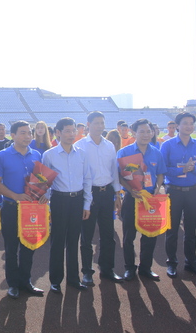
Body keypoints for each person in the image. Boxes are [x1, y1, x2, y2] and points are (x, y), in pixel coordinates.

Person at [0, 121, 46, 299]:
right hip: (11, 208)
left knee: (29, 246)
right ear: (13, 135)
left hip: (31, 209)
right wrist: (15, 196)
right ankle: (13, 284)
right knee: (11, 248)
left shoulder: (36, 155)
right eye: (23, 133)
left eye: (29, 133)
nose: (27, 136)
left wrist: (44, 194)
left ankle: (26, 281)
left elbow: (41, 180)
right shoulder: (2, 156)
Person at [42, 117, 92, 293]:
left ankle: (73, 279)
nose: (72, 134)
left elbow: (87, 179)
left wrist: (87, 204)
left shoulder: (82, 154)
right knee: (57, 241)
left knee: (73, 240)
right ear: (58, 133)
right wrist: (46, 204)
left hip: (77, 200)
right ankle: (55, 281)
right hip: (59, 200)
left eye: (74, 131)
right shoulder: (49, 155)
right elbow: (45, 183)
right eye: (68, 131)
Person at [74, 112, 123, 286]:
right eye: (96, 123)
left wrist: (117, 194)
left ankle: (107, 269)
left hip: (107, 193)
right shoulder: (79, 146)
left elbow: (114, 172)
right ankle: (87, 272)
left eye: (102, 123)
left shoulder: (109, 146)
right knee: (87, 236)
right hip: (89, 194)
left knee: (108, 234)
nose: (100, 126)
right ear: (88, 125)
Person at [160, 112, 196, 278]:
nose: (188, 126)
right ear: (177, 126)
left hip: (193, 192)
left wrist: (193, 168)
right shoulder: (167, 145)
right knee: (172, 230)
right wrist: (182, 170)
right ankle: (172, 263)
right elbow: (163, 169)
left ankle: (191, 263)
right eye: (185, 123)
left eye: (191, 123)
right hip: (173, 191)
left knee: (191, 230)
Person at [118, 119, 167, 281]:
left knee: (150, 235)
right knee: (129, 236)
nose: (146, 135)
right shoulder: (125, 152)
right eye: (142, 131)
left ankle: (146, 268)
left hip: (150, 200)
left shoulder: (156, 153)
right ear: (134, 133)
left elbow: (160, 174)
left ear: (152, 133)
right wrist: (131, 190)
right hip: (132, 199)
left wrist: (158, 187)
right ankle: (129, 268)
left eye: (148, 131)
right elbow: (120, 176)